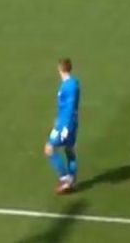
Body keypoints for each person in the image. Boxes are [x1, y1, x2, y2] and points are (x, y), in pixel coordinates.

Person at [44, 58, 81, 194]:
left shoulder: (68, 86)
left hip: (65, 125)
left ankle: (65, 179)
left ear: (60, 69)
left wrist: (63, 126)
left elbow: (70, 107)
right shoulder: (74, 82)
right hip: (69, 122)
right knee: (69, 150)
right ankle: (72, 179)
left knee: (49, 149)